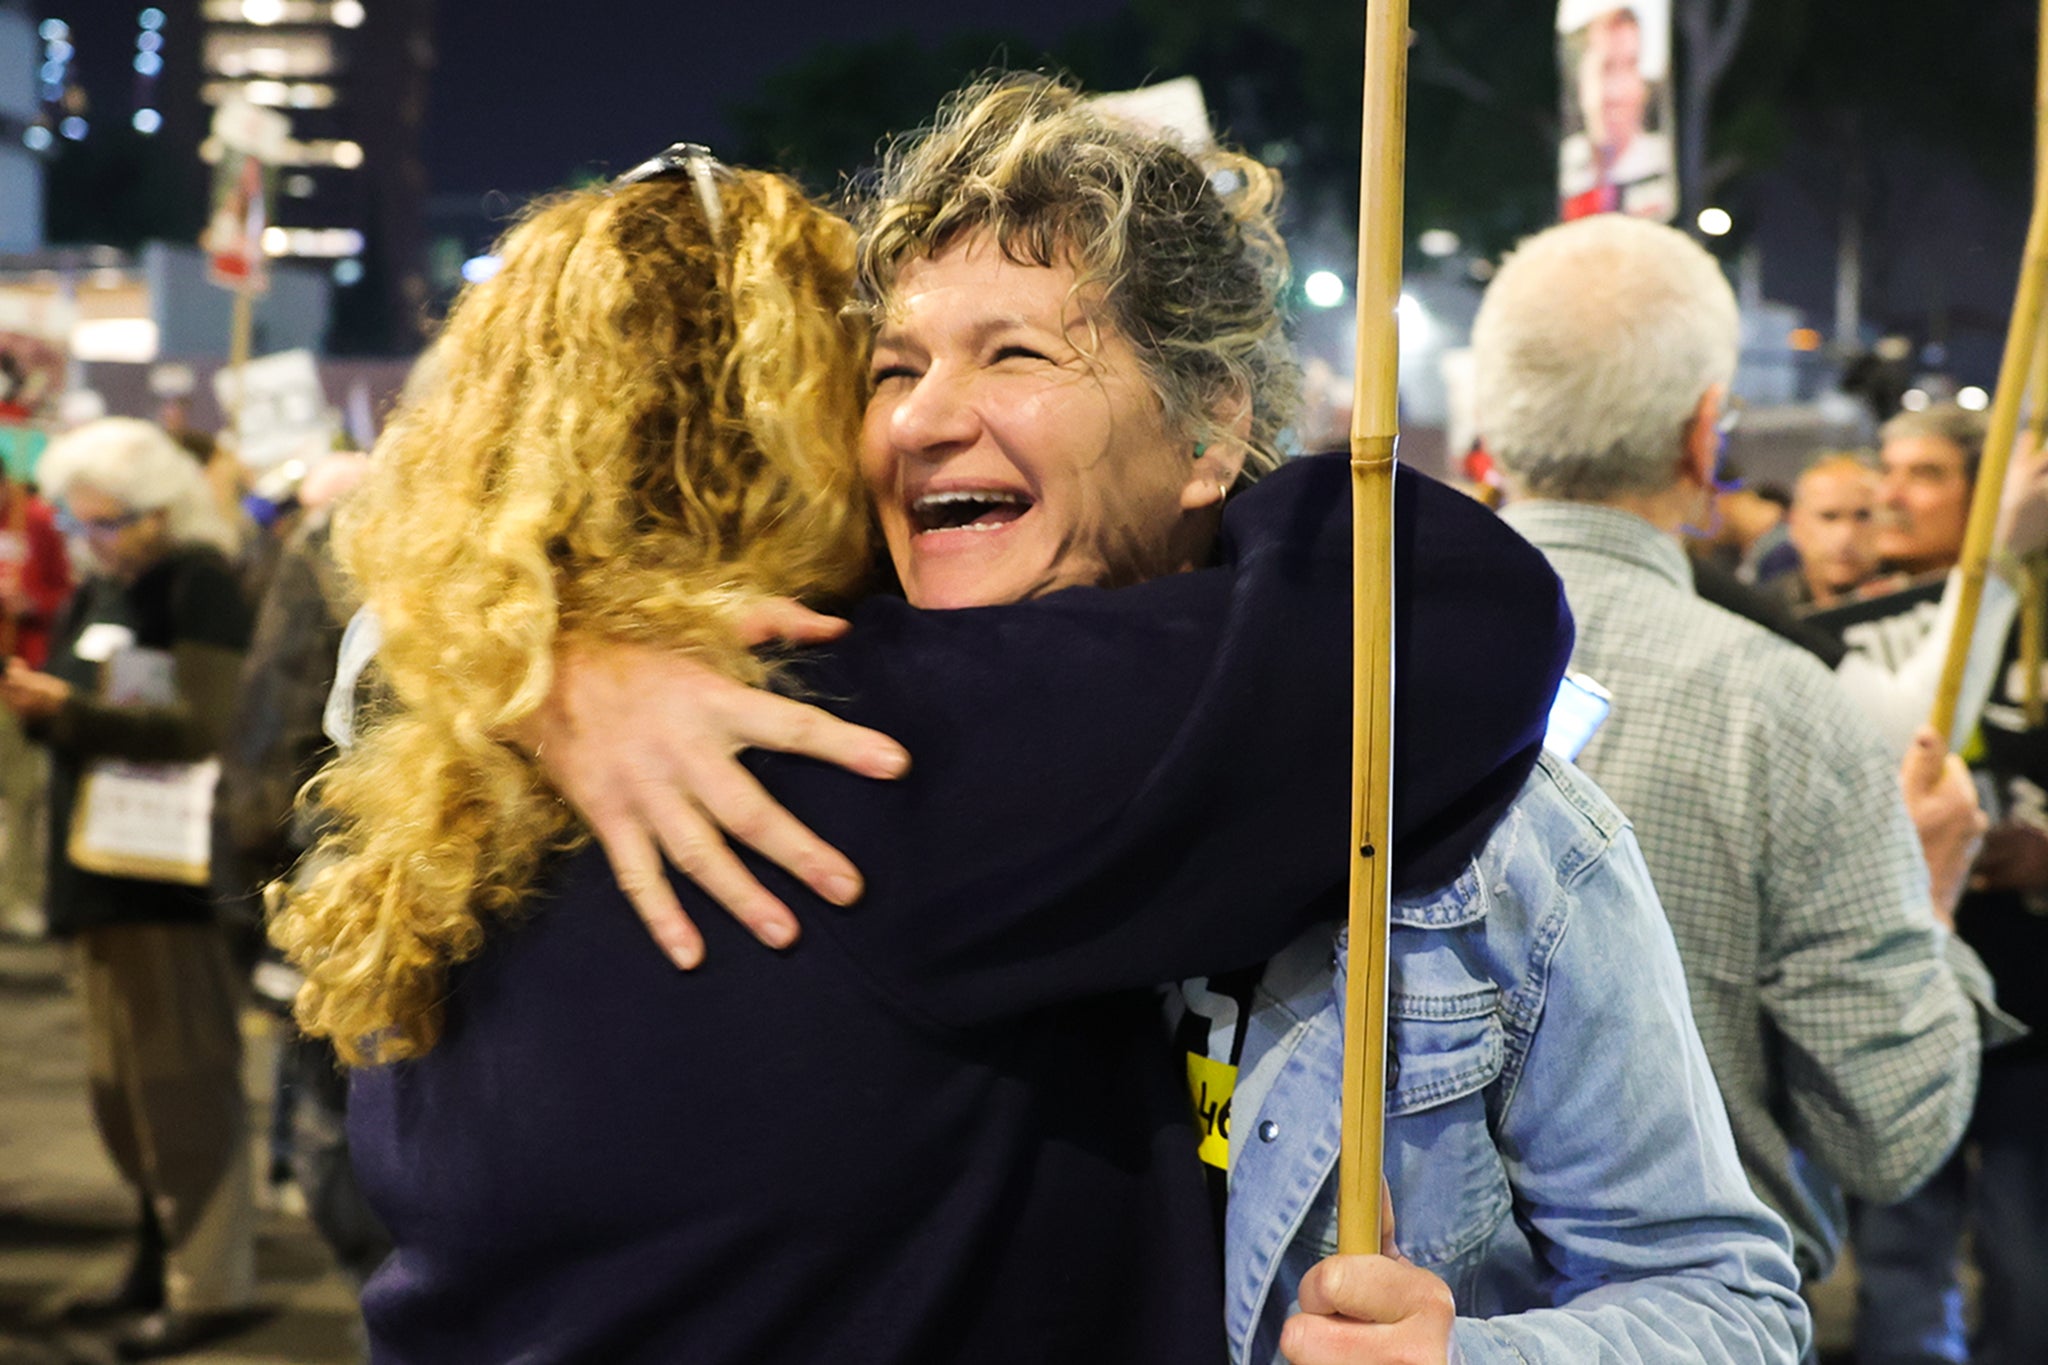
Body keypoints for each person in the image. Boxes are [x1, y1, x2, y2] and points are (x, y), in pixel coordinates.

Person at [488, 81, 1806, 1363]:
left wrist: (1467, 1360)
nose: (928, 419)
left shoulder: (1480, 827)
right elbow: (422, 602)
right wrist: (564, 662)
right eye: (892, 369)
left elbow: (1728, 1297)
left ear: (1207, 430)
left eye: (1016, 353)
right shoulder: (781, 741)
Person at [1471, 215, 2008, 1296]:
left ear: (1492, 423)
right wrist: (1933, 894)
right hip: (1689, 1316)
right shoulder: (1782, 712)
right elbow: (1891, 1137)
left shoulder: (1342, 665)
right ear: (1702, 433)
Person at [0, 418, 258, 1360]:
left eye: (108, 522)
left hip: (165, 878)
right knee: (124, 1096)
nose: (92, 538)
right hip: (98, 870)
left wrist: (71, 711)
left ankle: (208, 1282)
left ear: (161, 511)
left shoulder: (198, 583)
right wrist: (51, 709)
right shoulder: (106, 586)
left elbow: (202, 725)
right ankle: (157, 1263)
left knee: (183, 1088)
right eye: (83, 521)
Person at [1832, 402, 2048, 1365]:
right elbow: (1890, 742)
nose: (1891, 494)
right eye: (1889, 466)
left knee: (2027, 1264)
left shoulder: (2025, 611)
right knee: (1898, 1265)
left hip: (2029, 1010)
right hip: (1896, 993)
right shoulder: (1859, 615)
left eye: (1925, 474)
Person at [0, 460, 72, 934]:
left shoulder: (38, 521)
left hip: (18, 674)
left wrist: (30, 604)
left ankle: (18, 894)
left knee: (24, 794)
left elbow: (64, 595)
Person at [1770, 451, 1879, 611]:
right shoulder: (1764, 611)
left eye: (1862, 516)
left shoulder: (1911, 597)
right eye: (1829, 517)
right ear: (1796, 525)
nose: (1846, 535)